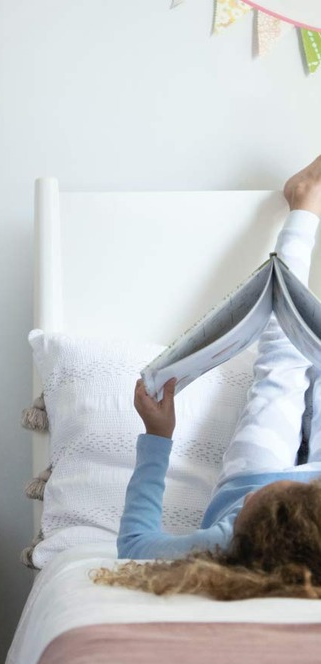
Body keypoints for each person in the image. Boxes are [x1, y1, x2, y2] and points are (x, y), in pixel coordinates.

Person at [94, 157, 321, 600]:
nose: (291, 477)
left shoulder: (230, 540)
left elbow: (133, 548)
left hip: (248, 473)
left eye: (243, 512)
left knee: (282, 364)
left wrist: (157, 436)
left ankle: (305, 204)